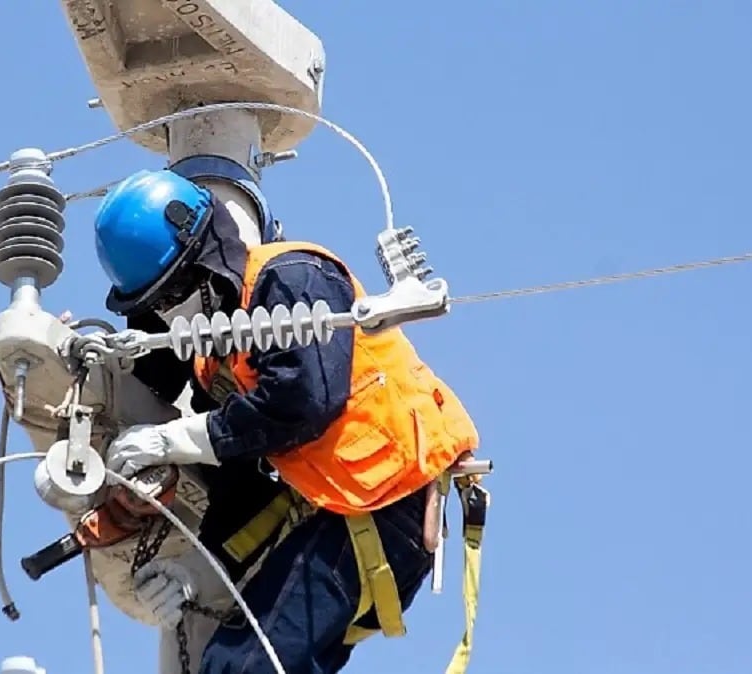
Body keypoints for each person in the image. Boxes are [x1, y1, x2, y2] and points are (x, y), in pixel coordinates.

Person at [92, 168, 481, 674]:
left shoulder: (290, 277)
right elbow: (242, 488)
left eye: (174, 294)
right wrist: (194, 574)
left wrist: (173, 438)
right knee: (237, 663)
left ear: (208, 261)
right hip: (342, 513)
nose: (170, 316)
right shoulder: (223, 361)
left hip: (386, 505)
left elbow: (302, 400)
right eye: (156, 306)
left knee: (245, 670)